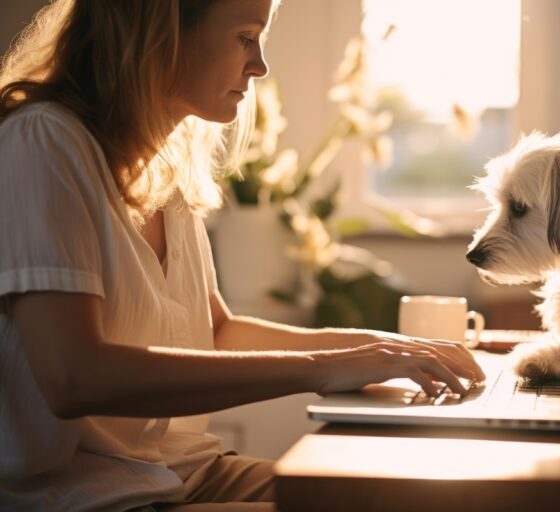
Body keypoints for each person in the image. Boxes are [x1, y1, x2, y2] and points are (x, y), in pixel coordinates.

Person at [0, 1, 485, 510]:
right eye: (245, 37)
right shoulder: (42, 145)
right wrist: (325, 366)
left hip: (178, 473)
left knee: (403, 496)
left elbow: (217, 333)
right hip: (81, 497)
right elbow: (75, 376)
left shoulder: (165, 170)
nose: (259, 66)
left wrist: (387, 348)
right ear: (161, 35)